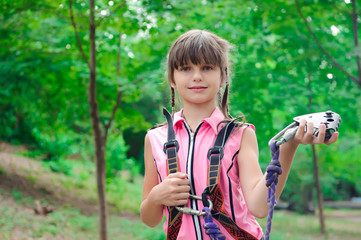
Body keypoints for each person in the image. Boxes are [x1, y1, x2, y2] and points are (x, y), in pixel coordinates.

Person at [140, 29, 338, 240]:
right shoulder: (155, 138)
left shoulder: (240, 134)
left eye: (207, 67)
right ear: (172, 78)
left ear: (223, 75)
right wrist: (156, 197)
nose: (197, 77)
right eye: (186, 68)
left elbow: (259, 208)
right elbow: (150, 219)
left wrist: (288, 146)